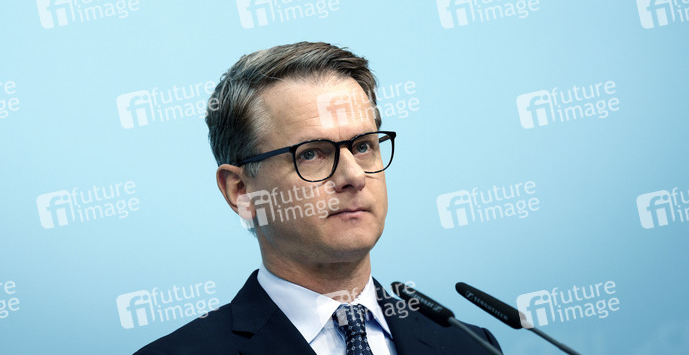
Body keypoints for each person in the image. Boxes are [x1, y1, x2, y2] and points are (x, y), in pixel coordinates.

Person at [135, 42, 501, 354]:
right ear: (241, 191)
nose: (354, 176)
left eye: (363, 146)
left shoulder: (470, 345)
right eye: (311, 153)